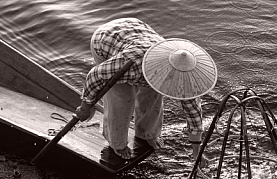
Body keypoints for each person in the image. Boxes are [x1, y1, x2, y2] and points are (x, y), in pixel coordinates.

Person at [74, 17, 218, 166]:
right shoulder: (131, 64)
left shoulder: (186, 79)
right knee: (123, 97)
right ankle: (117, 143)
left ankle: (147, 133)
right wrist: (86, 107)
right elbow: (95, 75)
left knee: (154, 92)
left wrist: (197, 151)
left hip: (138, 33)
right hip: (105, 41)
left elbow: (193, 113)